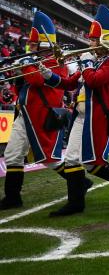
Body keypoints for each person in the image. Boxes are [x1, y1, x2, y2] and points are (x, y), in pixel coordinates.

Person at [43, 5, 109, 216]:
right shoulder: (93, 61)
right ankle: (76, 203)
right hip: (81, 115)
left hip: (98, 116)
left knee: (92, 161)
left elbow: (95, 81)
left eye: (94, 40)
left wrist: (85, 63)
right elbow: (69, 83)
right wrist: (49, 75)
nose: (89, 43)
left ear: (105, 40)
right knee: (72, 160)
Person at [1, 12, 85, 209]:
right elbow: (23, 85)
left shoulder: (57, 61)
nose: (30, 47)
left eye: (34, 44)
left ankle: (80, 183)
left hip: (42, 114)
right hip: (25, 113)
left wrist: (25, 66)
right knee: (13, 154)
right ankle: (13, 197)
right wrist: (20, 69)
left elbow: (39, 79)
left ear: (43, 44)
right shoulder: (33, 60)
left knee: (50, 159)